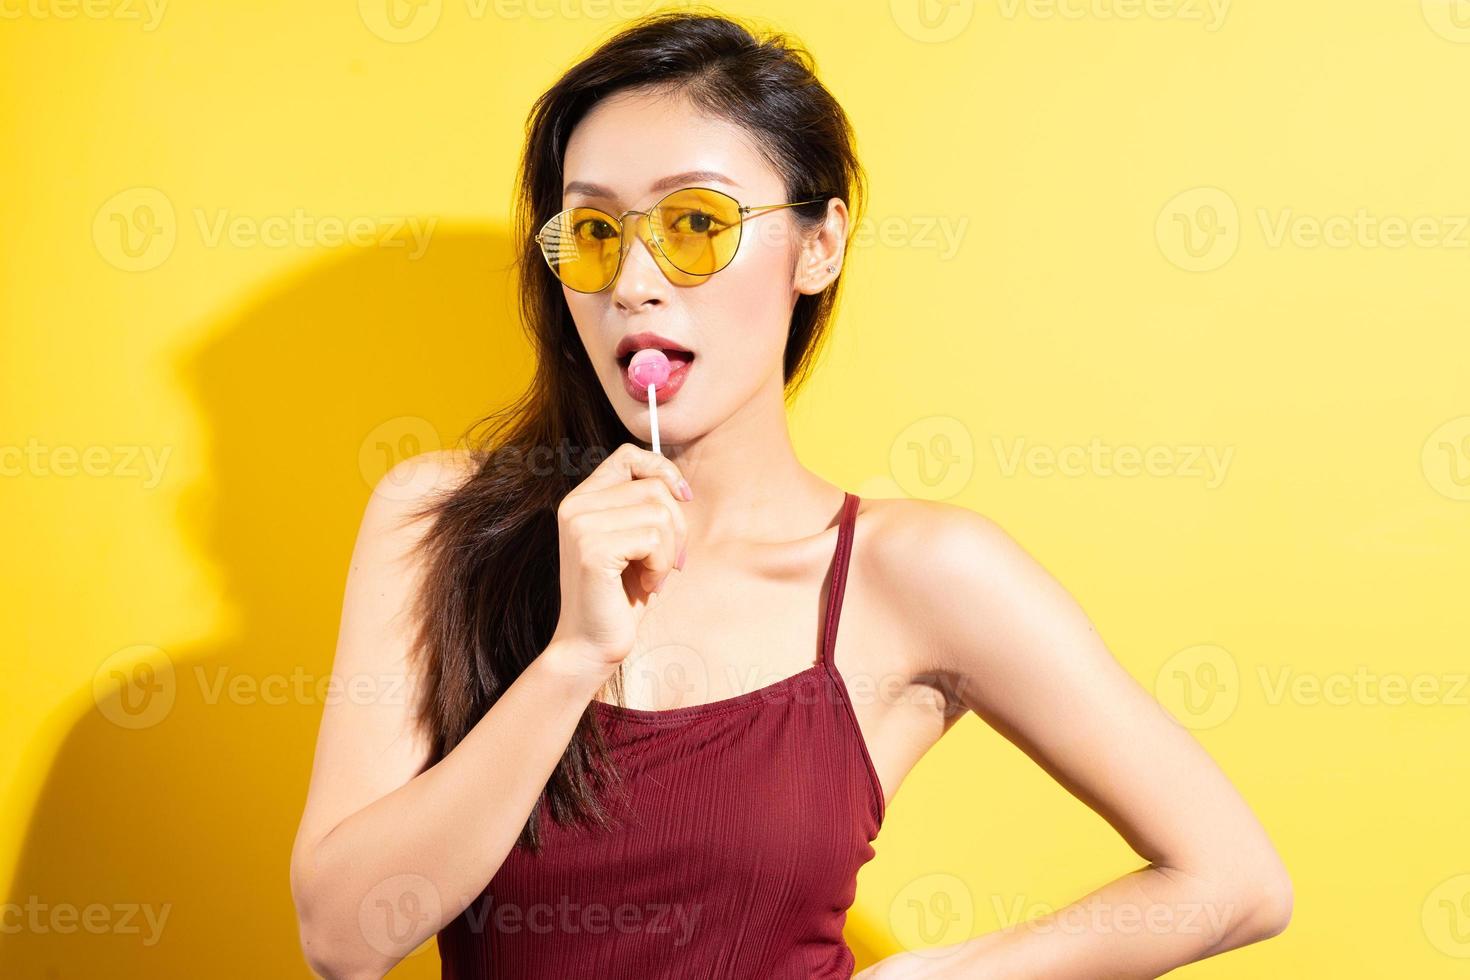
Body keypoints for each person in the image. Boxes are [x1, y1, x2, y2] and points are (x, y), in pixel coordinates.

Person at [289, 11, 1291, 979]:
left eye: (695, 223)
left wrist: (942, 975)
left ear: (820, 245)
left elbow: (1234, 879)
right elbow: (344, 936)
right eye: (592, 229)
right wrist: (572, 657)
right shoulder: (439, 523)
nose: (633, 279)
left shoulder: (917, 572)